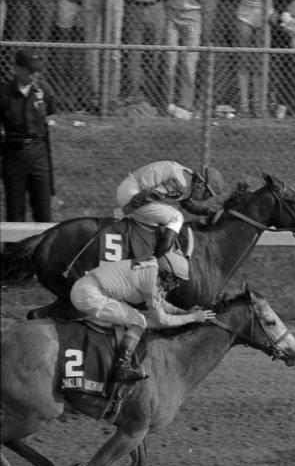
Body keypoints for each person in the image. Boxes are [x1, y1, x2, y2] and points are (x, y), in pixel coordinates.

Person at [70, 250, 217, 381]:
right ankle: (122, 366)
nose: (177, 285)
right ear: (167, 273)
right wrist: (193, 318)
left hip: (89, 289)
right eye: (177, 280)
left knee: (138, 318)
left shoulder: (152, 267)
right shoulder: (151, 279)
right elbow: (162, 320)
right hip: (90, 294)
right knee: (139, 320)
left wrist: (185, 312)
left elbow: (161, 304)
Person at [114, 161, 224, 257]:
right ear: (200, 184)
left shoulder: (187, 181)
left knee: (157, 224)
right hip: (133, 194)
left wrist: (209, 211)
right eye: (207, 195)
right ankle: (155, 260)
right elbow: (150, 195)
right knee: (176, 218)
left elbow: (187, 204)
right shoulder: (180, 184)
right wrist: (125, 210)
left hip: (135, 192)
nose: (206, 199)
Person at [1, 49, 57, 224]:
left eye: (38, 71)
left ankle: (43, 251)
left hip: (39, 155)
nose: (35, 74)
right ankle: (14, 252)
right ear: (17, 69)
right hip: (14, 155)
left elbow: (49, 117)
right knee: (15, 212)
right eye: (30, 70)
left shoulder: (44, 91)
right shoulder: (4, 94)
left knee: (43, 211)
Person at [165, 0, 214, 118]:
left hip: (192, 18)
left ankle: (185, 105)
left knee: (188, 62)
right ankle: (168, 103)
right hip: (172, 15)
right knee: (170, 59)